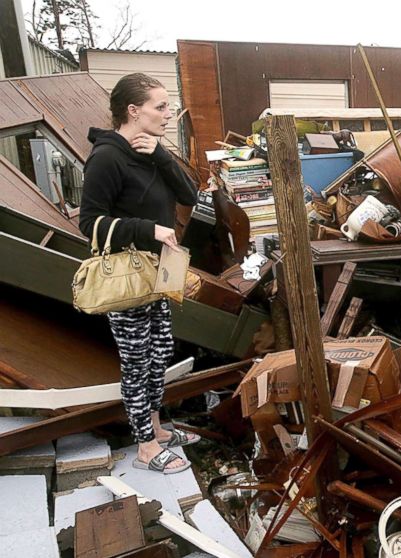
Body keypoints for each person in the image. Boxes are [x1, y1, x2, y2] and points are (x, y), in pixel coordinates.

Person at [79, 73, 200, 474]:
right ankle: (146, 447)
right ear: (134, 111)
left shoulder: (149, 151)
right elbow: (90, 223)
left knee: (160, 353)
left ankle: (157, 428)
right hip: (129, 276)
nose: (168, 114)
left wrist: (161, 154)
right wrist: (147, 229)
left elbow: (190, 195)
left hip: (159, 273)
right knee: (137, 361)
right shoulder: (106, 157)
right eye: (160, 107)